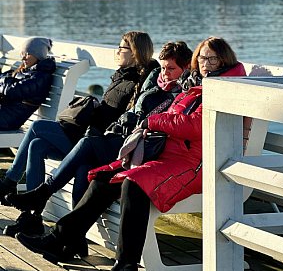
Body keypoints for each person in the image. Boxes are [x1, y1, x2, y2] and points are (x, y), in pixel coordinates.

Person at [14, 36, 246, 271]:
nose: (205, 63)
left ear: (224, 60)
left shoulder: (225, 88)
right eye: (202, 57)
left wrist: (152, 121)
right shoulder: (196, 86)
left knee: (134, 184)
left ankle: (127, 265)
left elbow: (195, 126)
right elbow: (175, 118)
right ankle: (61, 239)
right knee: (105, 177)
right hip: (167, 158)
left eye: (212, 58)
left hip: (197, 164)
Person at [5, 41, 192, 238]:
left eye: (171, 68)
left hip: (132, 144)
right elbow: (131, 111)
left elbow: (151, 118)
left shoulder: (161, 85)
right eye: (163, 68)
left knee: (59, 136)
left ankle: (33, 192)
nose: (165, 73)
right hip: (110, 134)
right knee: (45, 148)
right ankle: (39, 219)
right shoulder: (139, 80)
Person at [0, 31, 157, 209]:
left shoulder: (140, 81)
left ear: (134, 52)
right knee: (37, 145)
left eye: (121, 47)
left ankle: (9, 182)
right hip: (87, 133)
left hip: (95, 141)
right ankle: (31, 216)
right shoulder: (121, 74)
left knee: (38, 126)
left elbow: (125, 117)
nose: (117, 51)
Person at [0, 36, 55, 131]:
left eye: (28, 54)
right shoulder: (23, 70)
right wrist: (7, 81)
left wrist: (5, 81)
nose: (24, 58)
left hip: (9, 120)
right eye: (23, 53)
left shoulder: (41, 77)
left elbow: (11, 90)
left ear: (38, 55)